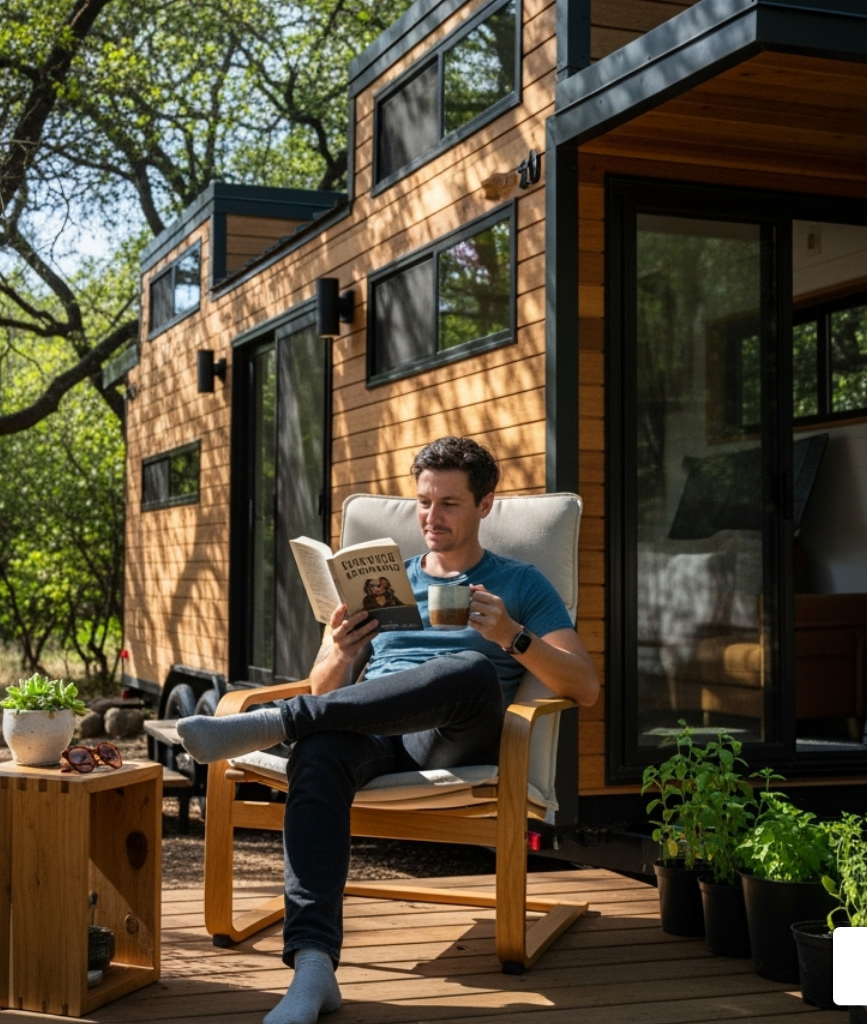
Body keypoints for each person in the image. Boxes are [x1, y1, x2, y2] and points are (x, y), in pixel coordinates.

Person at [176, 437, 599, 1024]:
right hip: (373, 730)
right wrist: (337, 650)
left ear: (486, 505)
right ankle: (313, 970)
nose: (432, 517)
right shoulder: (382, 581)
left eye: (450, 504)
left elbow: (585, 685)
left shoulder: (519, 584)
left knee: (469, 667)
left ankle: (277, 722)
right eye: (424, 502)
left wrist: (511, 637)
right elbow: (330, 694)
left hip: (458, 731)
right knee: (319, 752)